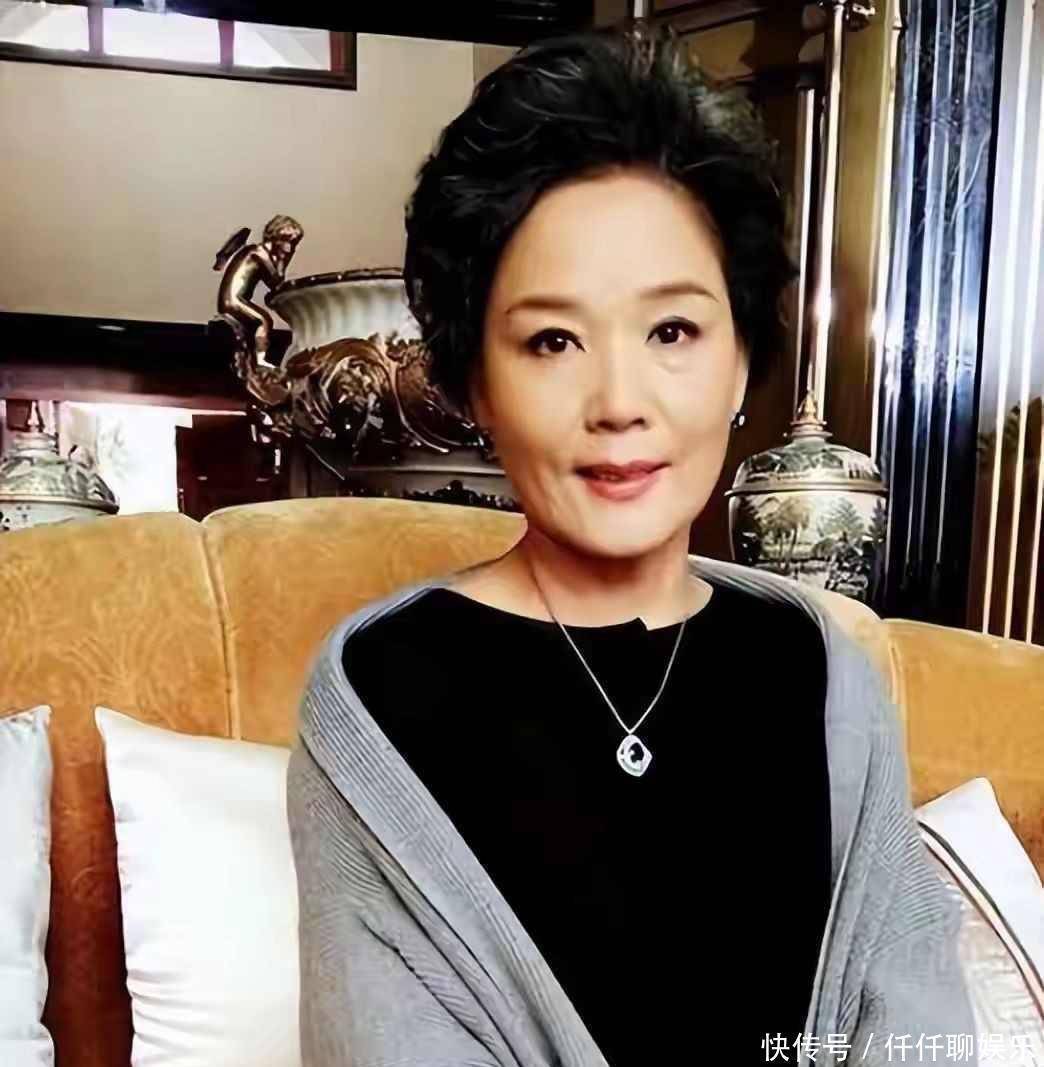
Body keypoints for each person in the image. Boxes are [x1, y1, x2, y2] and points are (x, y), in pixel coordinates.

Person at [286, 21, 976, 1067]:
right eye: (552, 340)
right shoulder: (376, 694)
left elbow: (917, 1027)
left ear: (741, 361)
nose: (619, 402)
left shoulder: (820, 668)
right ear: (476, 381)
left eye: (672, 331)